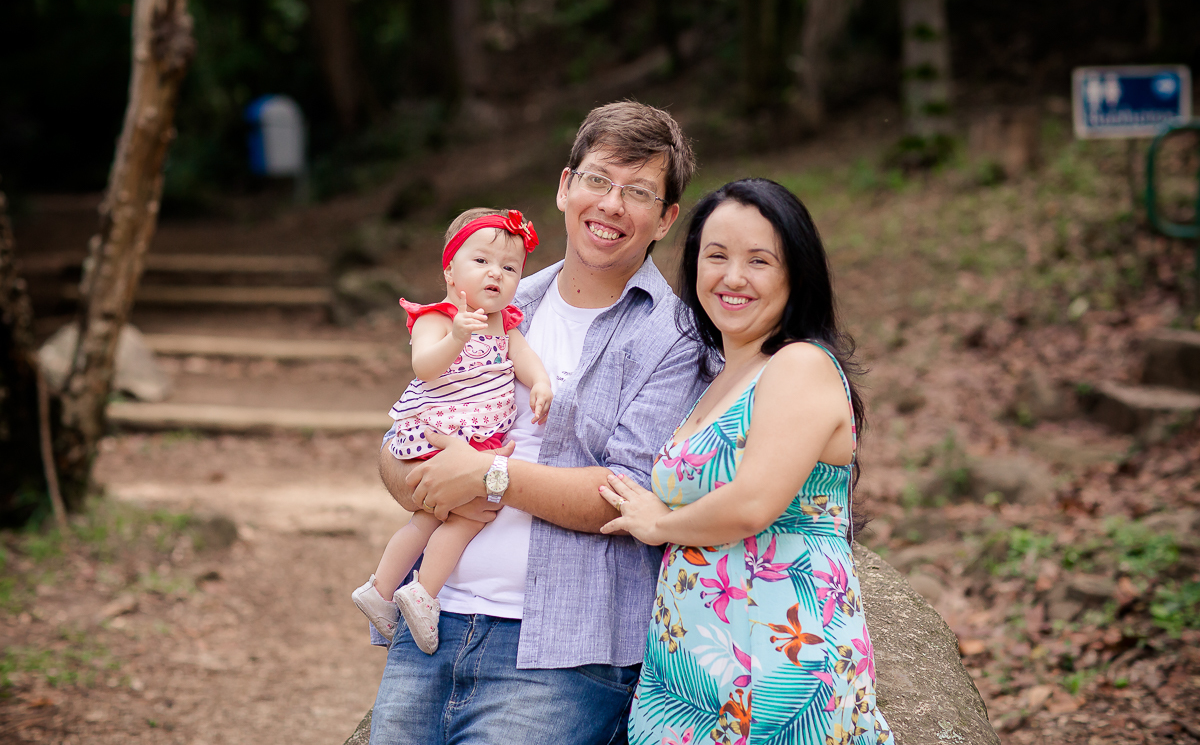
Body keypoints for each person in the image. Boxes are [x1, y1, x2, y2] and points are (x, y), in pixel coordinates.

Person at [368, 101, 707, 745]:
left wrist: (487, 474)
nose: (611, 204)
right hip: (430, 617)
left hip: (560, 652)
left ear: (666, 219)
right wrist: (409, 471)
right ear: (565, 187)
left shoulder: (675, 337)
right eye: (598, 179)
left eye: (638, 192)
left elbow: (632, 496)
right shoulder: (499, 295)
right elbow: (407, 432)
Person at [598, 178, 894, 745]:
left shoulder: (799, 365)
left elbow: (754, 502)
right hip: (694, 660)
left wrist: (659, 524)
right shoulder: (722, 376)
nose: (733, 277)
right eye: (717, 256)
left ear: (795, 274)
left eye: (759, 260)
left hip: (777, 654)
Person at [352, 207, 552, 655]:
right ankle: (422, 592)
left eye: (509, 268)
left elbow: (523, 357)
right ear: (449, 270)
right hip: (439, 433)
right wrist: (456, 336)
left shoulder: (505, 321)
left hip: (475, 438)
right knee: (469, 514)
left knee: (429, 518)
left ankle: (381, 590)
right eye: (481, 261)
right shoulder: (437, 317)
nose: (495, 273)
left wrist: (539, 382)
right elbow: (424, 366)